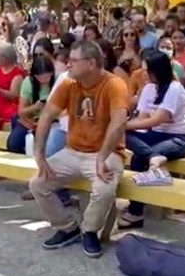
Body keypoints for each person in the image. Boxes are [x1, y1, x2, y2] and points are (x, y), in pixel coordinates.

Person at [29, 39, 129, 259]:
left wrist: (102, 156)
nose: (67, 65)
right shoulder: (68, 83)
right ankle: (67, 227)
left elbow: (119, 122)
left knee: (104, 189)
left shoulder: (114, 84)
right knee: (37, 183)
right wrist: (39, 154)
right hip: (72, 151)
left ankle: (89, 230)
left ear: (91, 63)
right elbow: (46, 117)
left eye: (73, 61)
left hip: (107, 152)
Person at [118, 49, 185, 229]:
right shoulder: (148, 88)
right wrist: (124, 126)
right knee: (123, 136)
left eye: (147, 70)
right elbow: (142, 119)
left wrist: (122, 125)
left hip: (180, 139)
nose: (143, 74)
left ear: (157, 70)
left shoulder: (174, 88)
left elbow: (157, 119)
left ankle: (135, 212)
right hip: (155, 136)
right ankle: (153, 156)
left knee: (138, 157)